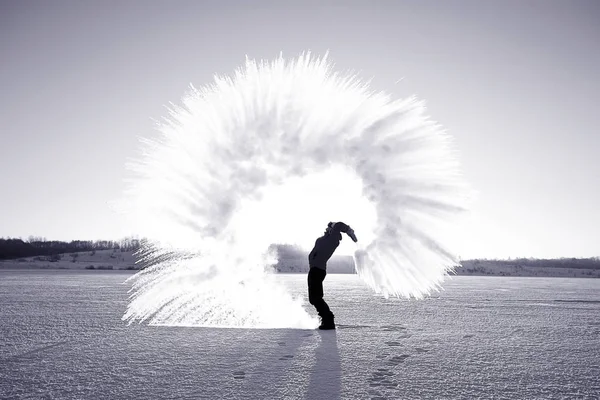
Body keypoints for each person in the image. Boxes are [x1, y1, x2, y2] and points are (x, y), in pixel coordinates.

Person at [308, 221, 358, 330]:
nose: (327, 229)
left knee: (316, 297)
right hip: (314, 269)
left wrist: (349, 230)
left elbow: (339, 225)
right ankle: (326, 318)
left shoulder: (333, 239)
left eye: (330, 228)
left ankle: (328, 320)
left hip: (318, 270)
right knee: (313, 298)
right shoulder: (323, 239)